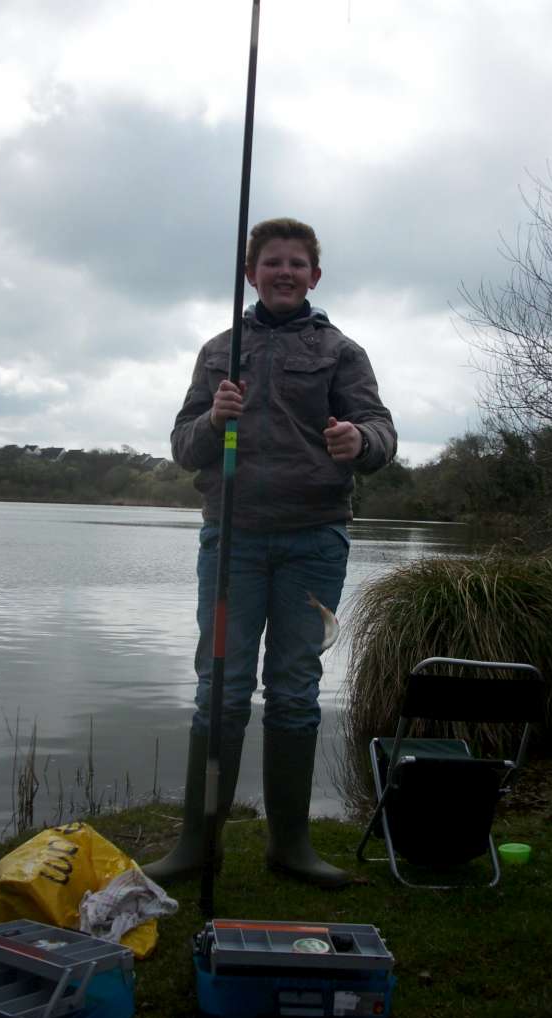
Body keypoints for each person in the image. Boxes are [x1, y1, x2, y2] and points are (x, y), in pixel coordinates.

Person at [142, 218, 396, 888]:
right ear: (251, 275)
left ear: (315, 275)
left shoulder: (342, 351)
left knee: (294, 689)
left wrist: (358, 443)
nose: (284, 272)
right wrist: (213, 419)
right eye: (272, 263)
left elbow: (381, 430)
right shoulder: (219, 351)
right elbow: (183, 445)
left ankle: (292, 847)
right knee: (220, 690)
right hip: (233, 543)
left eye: (297, 263)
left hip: (314, 542)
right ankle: (197, 843)